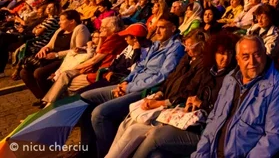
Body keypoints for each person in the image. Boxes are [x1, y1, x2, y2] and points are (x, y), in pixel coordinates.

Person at [80, 14, 185, 157]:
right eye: (156, 28)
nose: (157, 31)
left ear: (173, 28)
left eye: (162, 28)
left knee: (100, 114)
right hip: (130, 84)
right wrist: (125, 81)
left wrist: (129, 88)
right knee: (84, 99)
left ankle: (105, 153)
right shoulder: (156, 44)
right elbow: (140, 65)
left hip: (143, 91)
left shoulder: (175, 47)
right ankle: (87, 149)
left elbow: (162, 76)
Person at [105, 30, 207, 158]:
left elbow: (188, 92)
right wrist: (159, 93)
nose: (186, 49)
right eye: (185, 45)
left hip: (173, 107)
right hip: (161, 100)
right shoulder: (187, 59)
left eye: (189, 46)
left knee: (126, 126)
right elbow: (169, 78)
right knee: (126, 124)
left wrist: (160, 103)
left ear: (201, 45)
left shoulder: (203, 64)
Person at [191, 35, 279, 157]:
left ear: (265, 53)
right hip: (212, 151)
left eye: (257, 55)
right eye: (245, 57)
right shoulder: (230, 79)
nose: (252, 62)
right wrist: (201, 152)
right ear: (238, 59)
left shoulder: (276, 86)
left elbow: (275, 136)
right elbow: (214, 119)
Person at [42, 16, 126, 105]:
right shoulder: (110, 37)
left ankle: (53, 105)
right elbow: (98, 51)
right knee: (65, 75)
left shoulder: (114, 38)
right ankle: (50, 103)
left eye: (103, 27)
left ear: (112, 28)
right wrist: (101, 38)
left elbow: (94, 60)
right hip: (95, 68)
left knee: (65, 84)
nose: (100, 29)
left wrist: (76, 67)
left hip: (100, 72)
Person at [20, 9, 90, 104]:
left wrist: (57, 55)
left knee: (39, 73)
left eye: (62, 19)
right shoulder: (60, 30)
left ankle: (52, 98)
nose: (59, 22)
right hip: (50, 57)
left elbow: (79, 50)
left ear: (72, 21)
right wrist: (44, 49)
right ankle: (43, 97)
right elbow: (50, 45)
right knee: (24, 72)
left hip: (64, 60)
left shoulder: (80, 29)